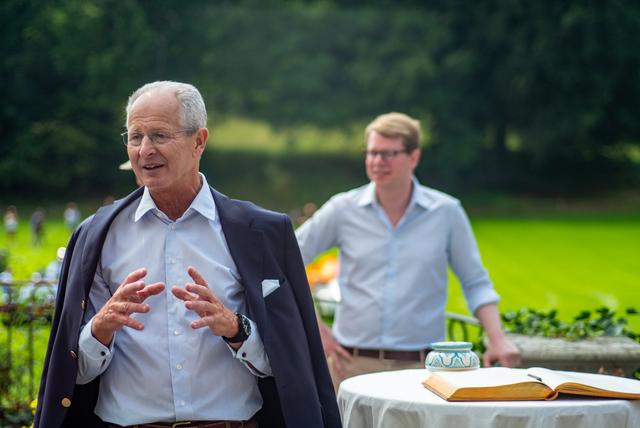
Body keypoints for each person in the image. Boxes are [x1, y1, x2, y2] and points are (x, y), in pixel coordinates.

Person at [35, 81, 340, 428]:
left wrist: (236, 329)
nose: (145, 150)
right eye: (135, 137)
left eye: (159, 136)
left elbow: (292, 364)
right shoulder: (96, 235)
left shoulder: (264, 233)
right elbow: (72, 372)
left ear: (199, 141)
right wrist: (100, 329)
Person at [295, 112, 521, 389]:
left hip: (423, 370)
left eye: (389, 154)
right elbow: (287, 260)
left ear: (414, 157)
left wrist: (497, 339)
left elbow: (475, 282)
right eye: (372, 153)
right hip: (350, 367)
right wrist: (316, 331)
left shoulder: (446, 212)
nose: (378, 161)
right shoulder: (342, 209)